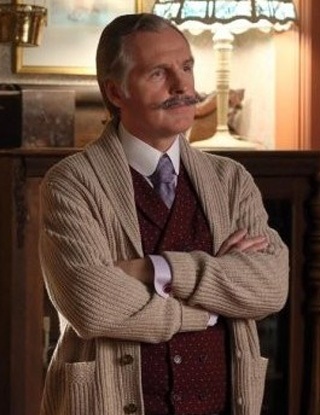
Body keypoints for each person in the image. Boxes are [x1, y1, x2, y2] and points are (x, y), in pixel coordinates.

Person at [39, 13, 288, 415]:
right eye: (159, 73)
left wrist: (155, 269)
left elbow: (270, 286)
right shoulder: (71, 183)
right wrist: (209, 310)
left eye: (186, 67)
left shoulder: (230, 180)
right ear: (116, 92)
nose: (183, 86)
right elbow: (92, 305)